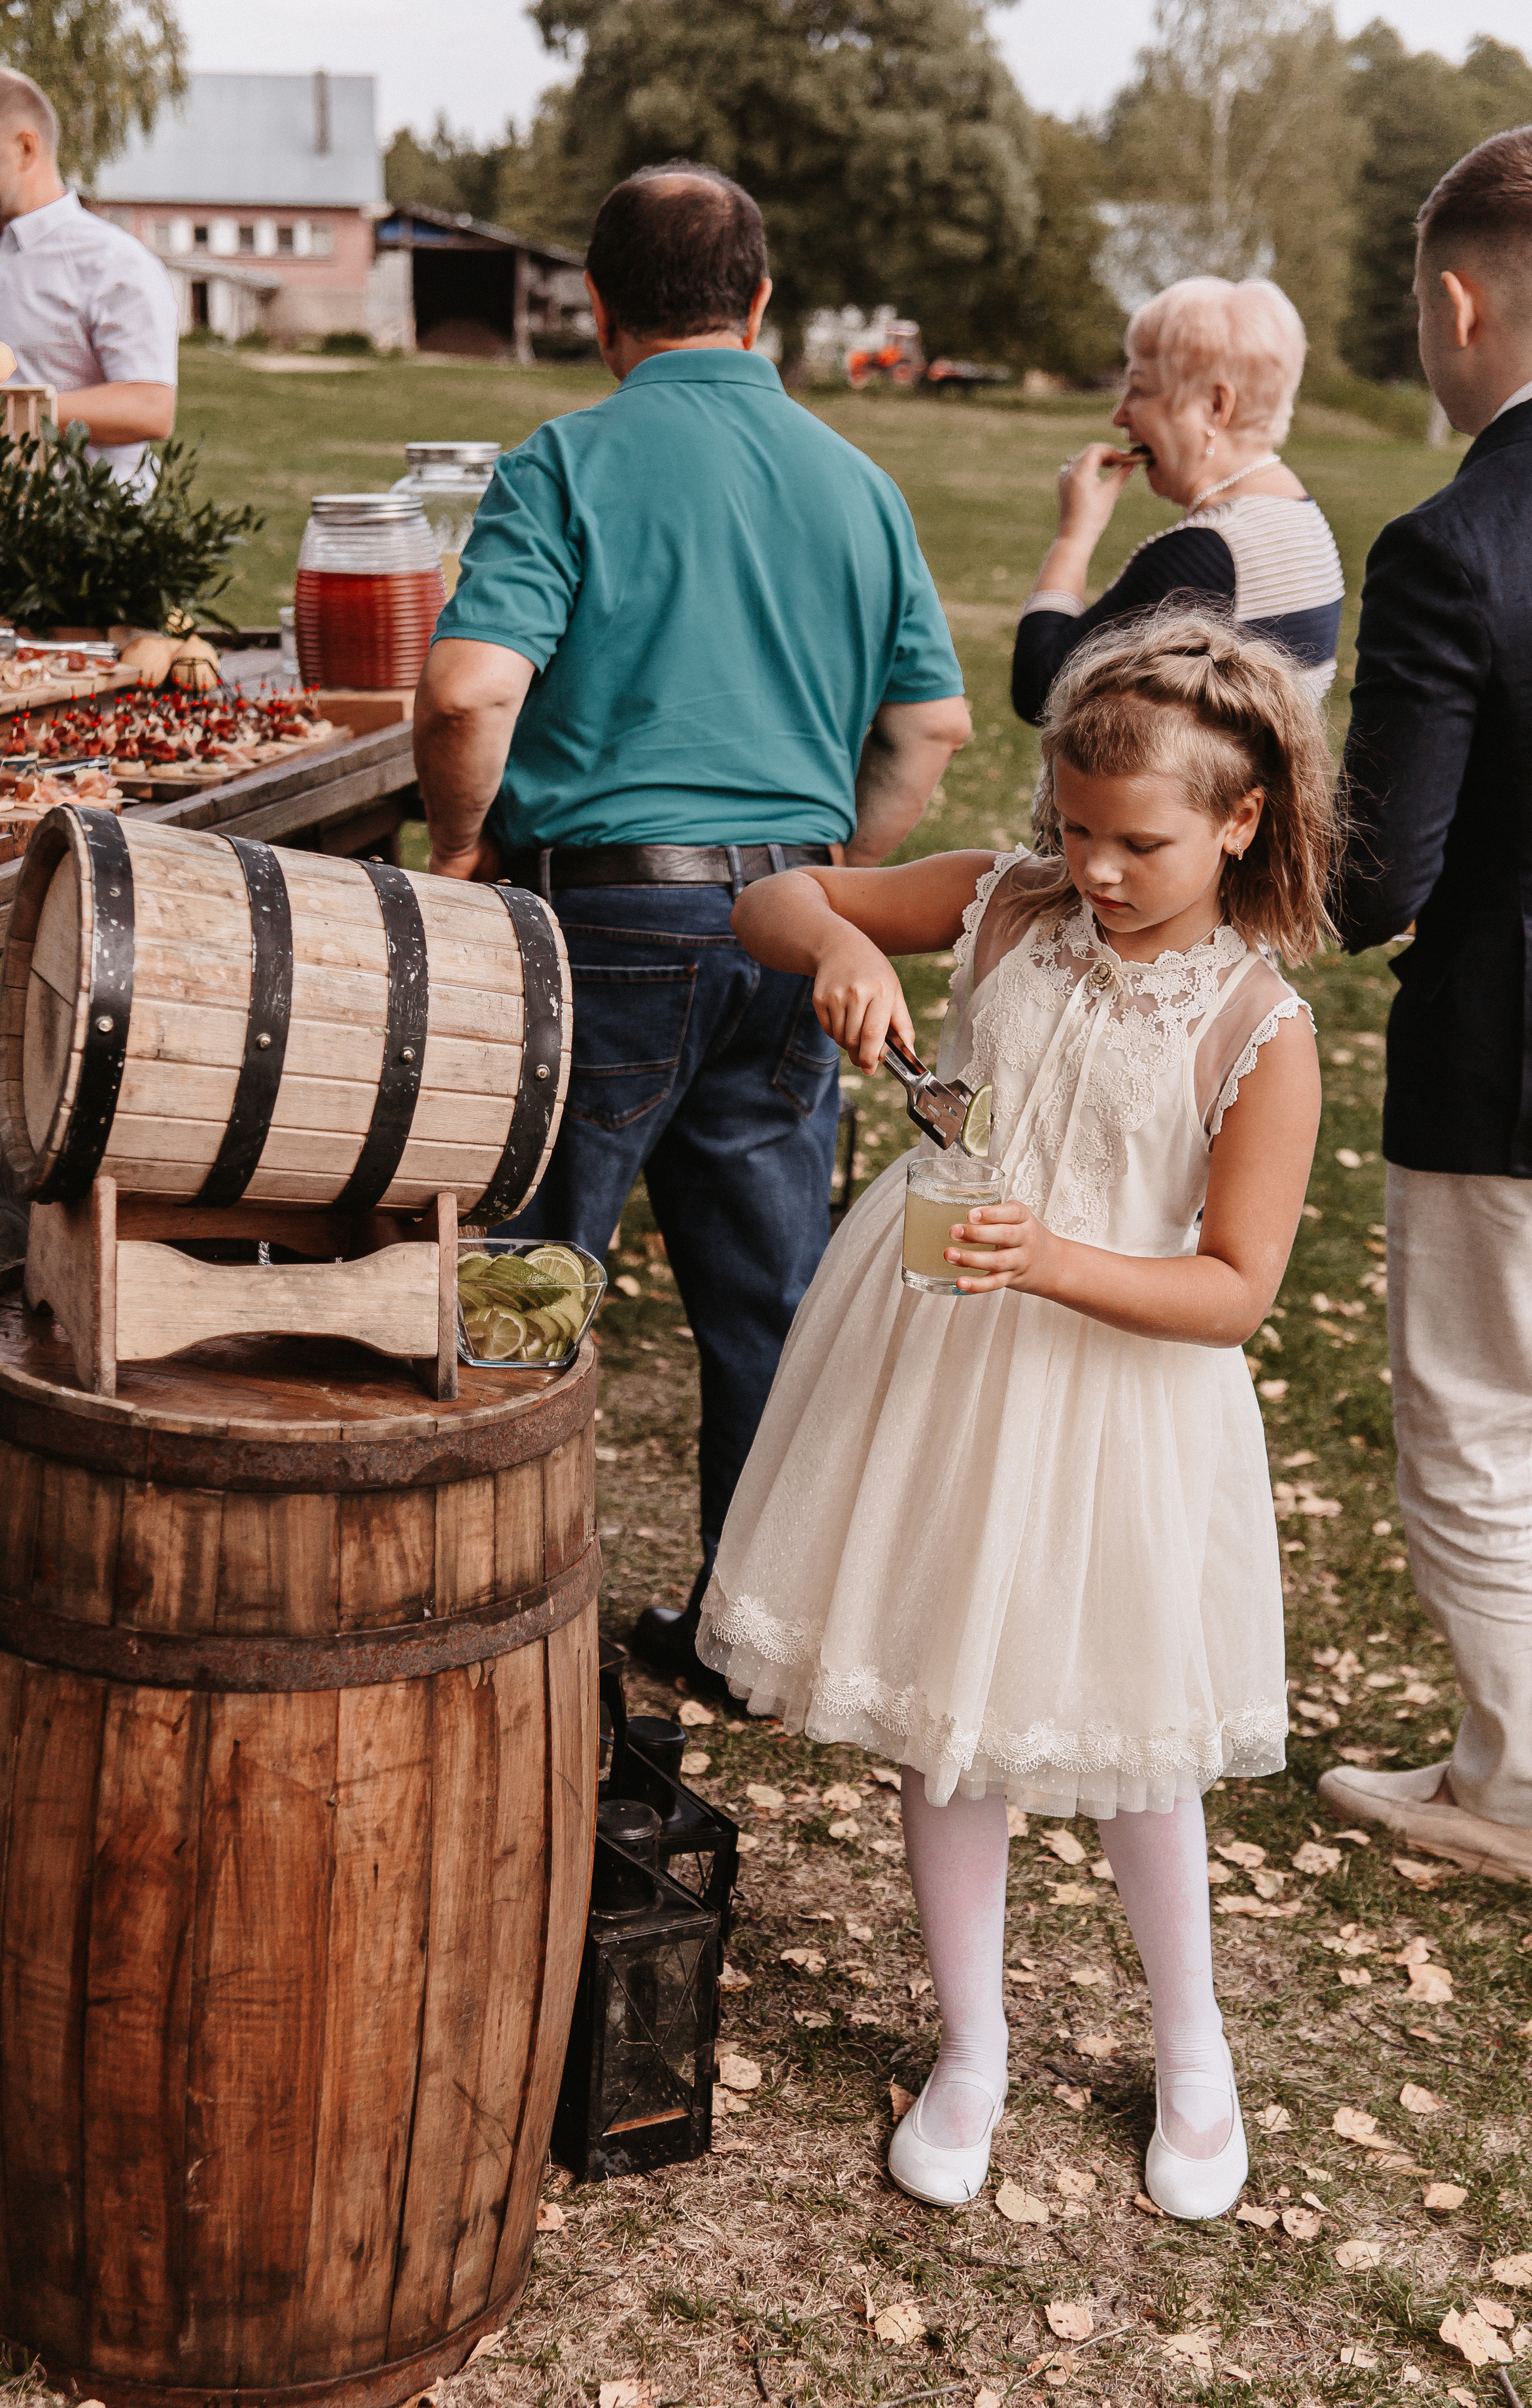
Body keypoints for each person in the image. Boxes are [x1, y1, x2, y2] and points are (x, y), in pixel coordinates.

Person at [700, 612, 1334, 2214]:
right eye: (1072, 826)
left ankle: (1191, 2052)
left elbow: (1235, 1287)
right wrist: (838, 941)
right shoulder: (1004, 905)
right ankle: (970, 2043)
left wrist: (1054, 1256)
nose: (1096, 868)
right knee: (941, 1693)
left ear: (1238, 820)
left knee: (1131, 1737)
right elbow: (774, 896)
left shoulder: (1252, 1025)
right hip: (934, 1361)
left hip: (1111, 1395)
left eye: (1138, 842)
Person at [414, 164, 969, 1692]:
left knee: (526, 1276)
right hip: (786, 932)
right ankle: (740, 1636)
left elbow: (467, 686)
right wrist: (828, 881)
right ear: (762, 305)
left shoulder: (567, 459)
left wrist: (461, 836)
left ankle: (477, 1624)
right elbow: (925, 726)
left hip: (599, 921)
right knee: (764, 1306)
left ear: (593, 309)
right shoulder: (857, 481)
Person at [1323, 124, 1532, 1896]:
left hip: (1516, 1060)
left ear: (1461, 302)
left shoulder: (1454, 541)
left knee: (1485, 1423)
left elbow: (1376, 879)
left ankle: (1513, 1790)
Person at [1012, 277, 1342, 725]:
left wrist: (1074, 536)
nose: (1120, 415)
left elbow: (1040, 689)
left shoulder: (1201, 556)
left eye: (1141, 389)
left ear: (1215, 405)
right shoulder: (1305, 519)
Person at [0, 67, 176, 484]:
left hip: (91, 538)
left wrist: (4, 413)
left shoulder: (115, 263)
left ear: (26, 148)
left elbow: (150, 409)